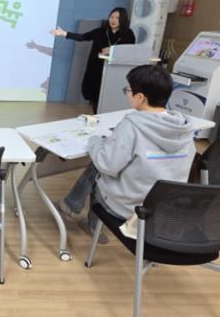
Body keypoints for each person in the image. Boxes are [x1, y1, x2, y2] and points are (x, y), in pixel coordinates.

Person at [56, 65, 195, 244]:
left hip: (132, 209)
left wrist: (95, 141)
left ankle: (86, 220)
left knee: (98, 165)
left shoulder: (132, 125)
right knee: (108, 160)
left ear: (140, 97)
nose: (127, 93)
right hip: (165, 210)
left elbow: (107, 165)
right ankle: (70, 205)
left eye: (128, 90)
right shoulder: (184, 128)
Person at [51, 7, 136, 113]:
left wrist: (111, 50)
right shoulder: (101, 31)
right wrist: (64, 33)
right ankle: (97, 116)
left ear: (123, 19)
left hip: (114, 71)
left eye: (117, 18)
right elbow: (83, 37)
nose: (113, 20)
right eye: (111, 17)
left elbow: (129, 51)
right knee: (95, 96)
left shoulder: (128, 34)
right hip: (96, 68)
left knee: (110, 96)